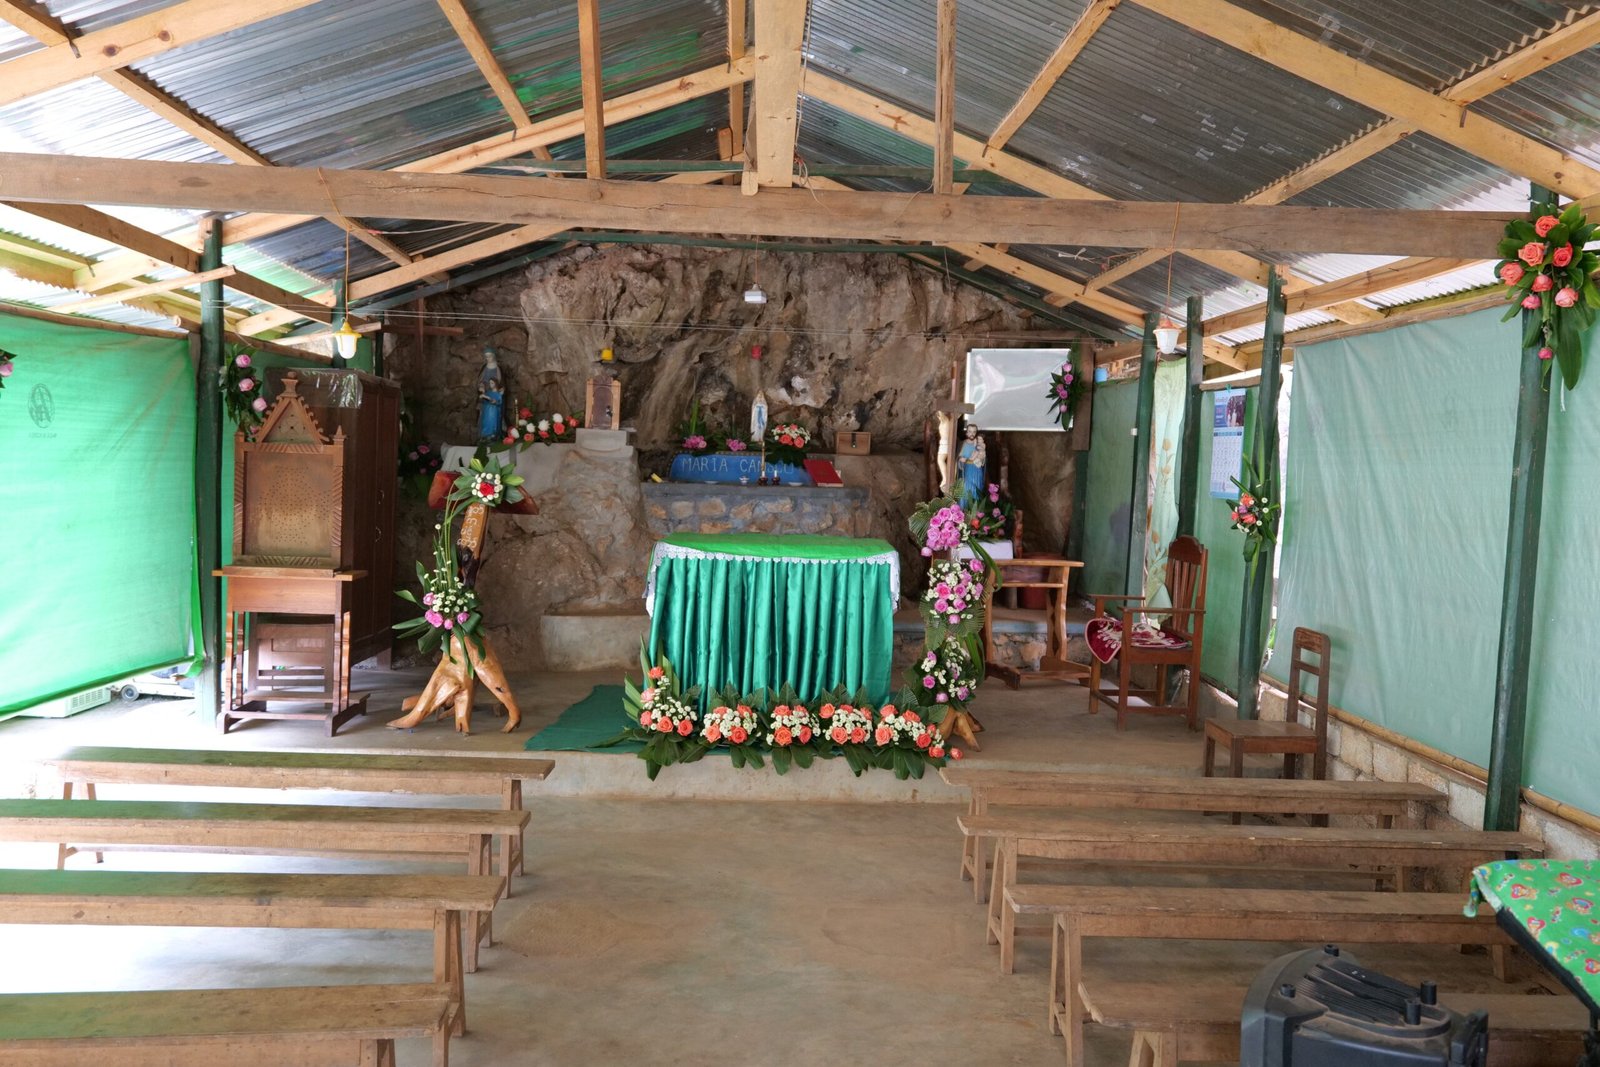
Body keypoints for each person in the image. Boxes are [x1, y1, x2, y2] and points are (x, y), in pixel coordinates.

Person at [477, 346, 505, 442]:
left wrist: (498, 389)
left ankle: (494, 435)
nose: (487, 358)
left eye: (489, 356)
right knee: (484, 417)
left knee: (495, 418)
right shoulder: (484, 368)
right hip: (486, 396)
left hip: (495, 395)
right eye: (486, 356)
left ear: (493, 356)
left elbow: (502, 382)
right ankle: (483, 435)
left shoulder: (498, 368)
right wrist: (481, 386)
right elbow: (481, 380)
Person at [957, 422, 986, 507]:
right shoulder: (962, 444)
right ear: (966, 433)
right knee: (966, 489)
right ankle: (963, 510)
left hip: (977, 470)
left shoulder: (979, 444)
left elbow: (983, 458)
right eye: (970, 431)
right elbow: (958, 457)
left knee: (976, 487)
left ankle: (975, 511)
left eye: (974, 432)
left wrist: (982, 457)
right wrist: (960, 459)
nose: (972, 434)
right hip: (966, 470)